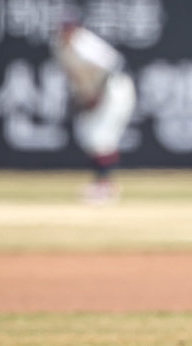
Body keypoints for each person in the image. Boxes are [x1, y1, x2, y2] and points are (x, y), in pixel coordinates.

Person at [51, 12, 136, 204]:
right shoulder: (59, 46)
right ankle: (103, 184)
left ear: (77, 28)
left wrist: (98, 95)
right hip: (95, 92)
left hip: (114, 88)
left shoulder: (85, 45)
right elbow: (74, 75)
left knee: (101, 137)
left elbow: (114, 66)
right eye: (64, 27)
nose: (67, 31)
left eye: (70, 27)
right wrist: (82, 95)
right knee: (88, 135)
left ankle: (104, 186)